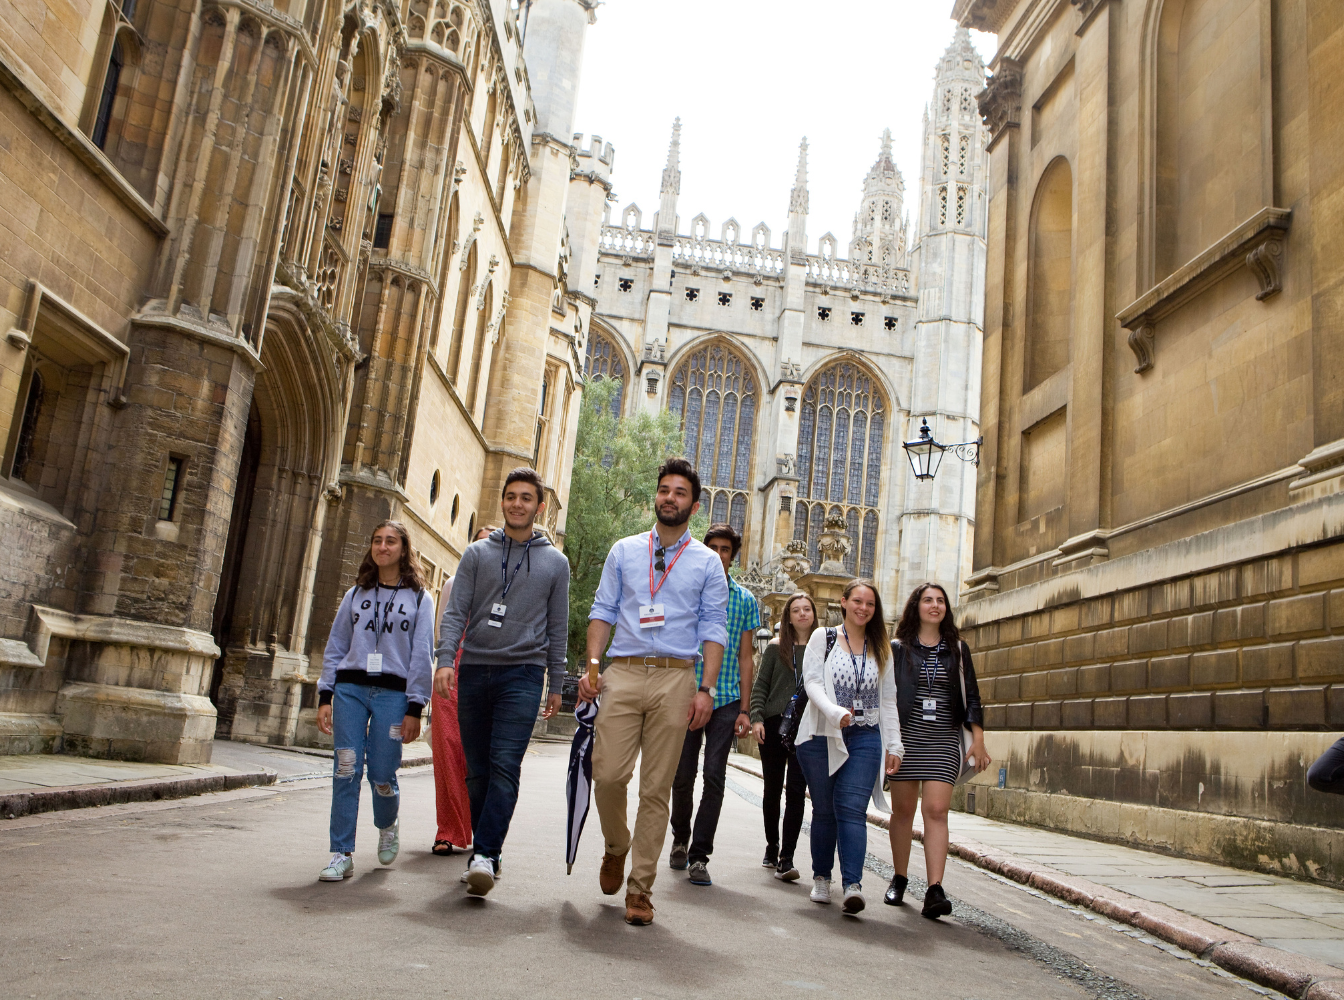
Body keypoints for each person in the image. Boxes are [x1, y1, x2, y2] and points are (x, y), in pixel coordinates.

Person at [579, 457, 728, 926]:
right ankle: (616, 845)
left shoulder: (707, 562)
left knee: (656, 788)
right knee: (607, 775)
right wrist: (593, 667)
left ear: (694, 505)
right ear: (656, 496)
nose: (670, 498)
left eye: (680, 492)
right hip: (622, 671)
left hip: (676, 676)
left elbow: (714, 629)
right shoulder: (624, 551)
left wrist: (706, 689)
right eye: (665, 489)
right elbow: (602, 610)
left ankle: (640, 888)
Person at [435, 471, 567, 897]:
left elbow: (558, 627)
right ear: (503, 501)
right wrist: (444, 661)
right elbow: (455, 612)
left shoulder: (556, 563)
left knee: (505, 765)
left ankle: (486, 854)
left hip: (523, 674)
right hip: (474, 668)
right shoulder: (476, 554)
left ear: (539, 506)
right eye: (511, 496)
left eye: (526, 498)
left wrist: (556, 682)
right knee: (477, 771)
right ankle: (486, 849)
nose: (517, 504)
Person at [316, 520, 434, 882]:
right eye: (377, 541)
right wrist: (325, 695)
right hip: (350, 690)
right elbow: (337, 645)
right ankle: (341, 852)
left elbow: (422, 654)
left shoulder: (419, 598)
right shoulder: (356, 594)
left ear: (404, 549)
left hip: (394, 696)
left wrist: (416, 707)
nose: (383, 547)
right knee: (346, 768)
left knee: (382, 773)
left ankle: (387, 824)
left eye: (391, 541)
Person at [793, 579, 901, 916]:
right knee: (825, 809)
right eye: (857, 601)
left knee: (852, 809)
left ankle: (853, 885)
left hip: (865, 735)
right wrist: (833, 711)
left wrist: (894, 744)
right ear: (843, 602)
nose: (863, 608)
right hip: (821, 734)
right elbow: (812, 682)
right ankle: (822, 878)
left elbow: (888, 700)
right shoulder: (823, 637)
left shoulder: (882, 647)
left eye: (870, 604)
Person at [884, 582, 990, 919]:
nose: (935, 605)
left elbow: (972, 696)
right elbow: (887, 698)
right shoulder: (898, 649)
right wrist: (888, 741)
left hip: (943, 740)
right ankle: (900, 877)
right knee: (903, 812)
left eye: (940, 601)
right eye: (928, 600)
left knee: (936, 810)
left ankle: (934, 889)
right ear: (916, 606)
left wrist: (978, 739)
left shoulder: (957, 649)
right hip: (906, 740)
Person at [669, 522, 758, 887]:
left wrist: (745, 709)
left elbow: (746, 658)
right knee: (682, 774)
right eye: (714, 548)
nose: (719, 555)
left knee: (714, 776)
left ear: (733, 556)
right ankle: (679, 838)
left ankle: (699, 855)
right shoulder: (689, 589)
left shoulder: (745, 600)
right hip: (689, 692)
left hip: (727, 699)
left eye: (726, 550)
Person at [428, 524, 494, 857]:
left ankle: (480, 828)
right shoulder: (453, 584)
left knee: (476, 756)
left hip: (487, 672)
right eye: (477, 545)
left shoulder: (505, 589)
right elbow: (443, 632)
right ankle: (448, 830)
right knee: (447, 750)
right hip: (451, 672)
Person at [750, 591, 818, 883]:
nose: (802, 614)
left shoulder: (823, 649)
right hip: (775, 723)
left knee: (796, 792)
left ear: (814, 614)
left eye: (807, 609)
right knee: (773, 789)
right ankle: (772, 845)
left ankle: (786, 857)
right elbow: (760, 686)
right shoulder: (775, 648)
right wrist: (756, 718)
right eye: (796, 610)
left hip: (806, 725)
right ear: (788, 617)